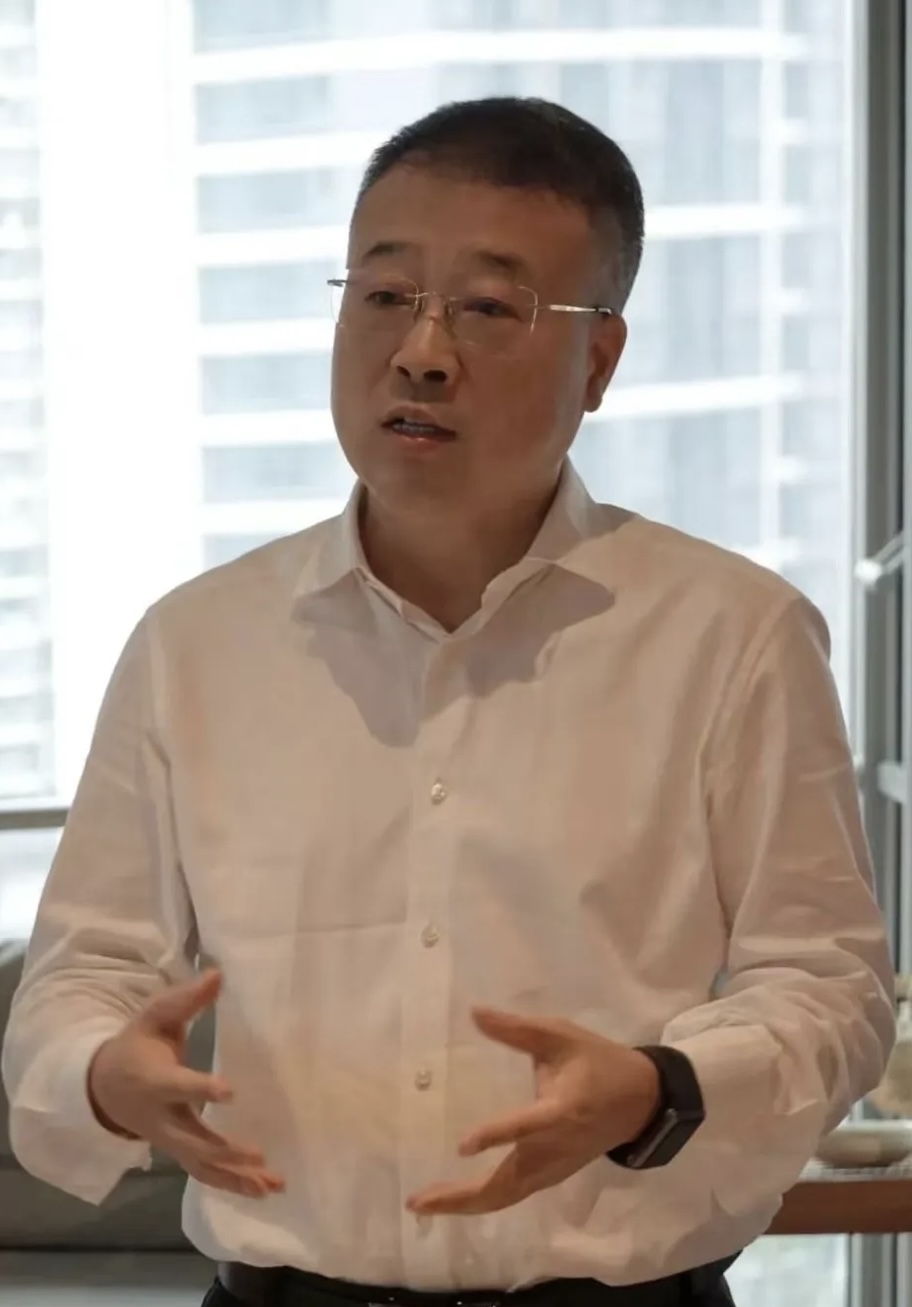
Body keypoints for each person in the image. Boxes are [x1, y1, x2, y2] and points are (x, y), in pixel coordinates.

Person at [1, 97, 895, 1307]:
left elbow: (829, 986)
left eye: (487, 307)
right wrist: (103, 1070)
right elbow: (84, 971)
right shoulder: (195, 644)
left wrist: (662, 1086)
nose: (422, 350)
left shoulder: (734, 633)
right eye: (384, 295)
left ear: (599, 360)